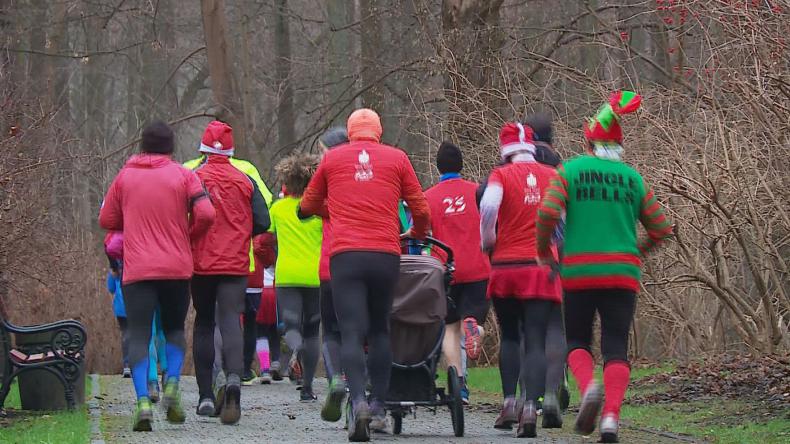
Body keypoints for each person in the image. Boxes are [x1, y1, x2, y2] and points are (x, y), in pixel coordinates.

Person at [536, 91, 673, 443]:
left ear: (590, 141)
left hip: (578, 271)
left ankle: (588, 389)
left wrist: (544, 251)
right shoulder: (633, 179)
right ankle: (610, 417)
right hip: (622, 273)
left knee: (578, 340)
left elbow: (549, 212)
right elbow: (661, 228)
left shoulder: (571, 171)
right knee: (616, 347)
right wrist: (636, 251)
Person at [300, 108, 430, 442]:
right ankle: (377, 406)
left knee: (351, 332)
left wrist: (337, 211)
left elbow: (309, 204)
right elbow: (421, 207)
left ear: (350, 131)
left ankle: (356, 401)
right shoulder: (397, 158)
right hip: (386, 253)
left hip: (346, 256)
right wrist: (417, 230)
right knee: (380, 329)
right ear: (378, 131)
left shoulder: (332, 160)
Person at [99, 120, 216, 432]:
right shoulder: (183, 175)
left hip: (137, 270)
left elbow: (106, 218)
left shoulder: (125, 177)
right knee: (174, 329)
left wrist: (133, 220)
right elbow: (207, 214)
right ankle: (173, 384)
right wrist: (188, 235)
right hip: (176, 267)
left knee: (139, 334)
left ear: (142, 146)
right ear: (171, 147)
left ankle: (142, 403)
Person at [480, 122, 564, 438]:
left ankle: (508, 402)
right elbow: (561, 219)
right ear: (531, 145)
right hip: (541, 267)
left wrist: (488, 241)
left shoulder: (499, 175)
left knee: (511, 337)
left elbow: (488, 207)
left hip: (506, 266)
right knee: (537, 337)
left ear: (505, 148)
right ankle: (531, 407)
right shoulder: (553, 176)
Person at [190, 121, 270, 424]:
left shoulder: (194, 179)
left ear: (203, 148)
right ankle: (235, 379)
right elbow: (262, 221)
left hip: (201, 263)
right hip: (236, 262)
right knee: (230, 321)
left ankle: (205, 397)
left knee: (204, 323)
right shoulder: (245, 180)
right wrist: (241, 232)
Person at [423, 141, 491, 405]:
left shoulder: (429, 197)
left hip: (446, 271)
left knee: (450, 329)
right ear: (461, 166)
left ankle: (459, 387)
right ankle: (476, 330)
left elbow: (421, 232)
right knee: (472, 322)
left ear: (438, 167)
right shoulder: (478, 192)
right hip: (479, 268)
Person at [268, 154, 323, 401]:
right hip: (316, 275)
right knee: (313, 331)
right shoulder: (321, 209)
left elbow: (264, 237)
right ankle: (308, 388)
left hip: (288, 275)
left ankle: (295, 349)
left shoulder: (278, 209)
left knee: (291, 325)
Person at [312, 127, 351, 422]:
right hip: (370, 261)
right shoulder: (369, 178)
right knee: (362, 330)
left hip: (331, 265)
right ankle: (365, 391)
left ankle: (336, 378)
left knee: (332, 331)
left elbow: (307, 206)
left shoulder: (327, 179)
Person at [252, 232, 281, 383]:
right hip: (275, 292)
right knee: (274, 333)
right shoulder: (274, 247)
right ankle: (276, 362)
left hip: (260, 291)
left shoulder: (252, 244)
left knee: (260, 333)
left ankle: (264, 369)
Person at [105, 232, 131, 378]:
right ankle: (137, 364)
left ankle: (126, 364)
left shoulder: (116, 266)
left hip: (120, 306)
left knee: (126, 334)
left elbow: (111, 288)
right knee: (138, 333)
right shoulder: (134, 262)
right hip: (134, 301)